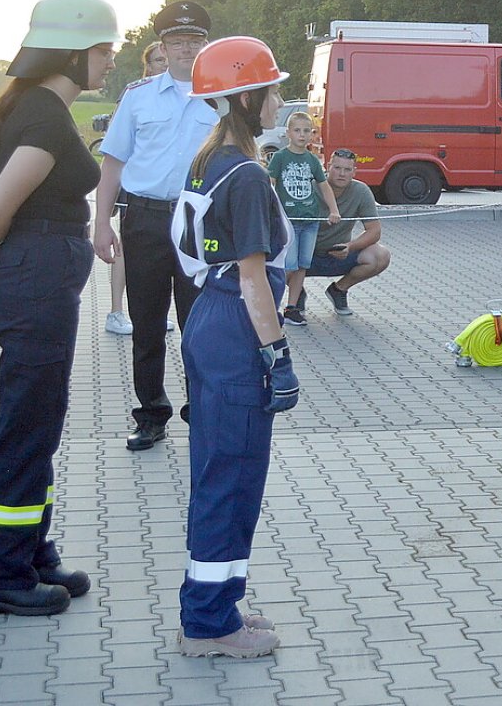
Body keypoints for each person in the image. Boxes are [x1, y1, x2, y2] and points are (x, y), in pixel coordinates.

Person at [0, 0, 120, 616]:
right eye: (104, 51)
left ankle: (32, 551)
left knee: (40, 420)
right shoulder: (43, 115)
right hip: (34, 280)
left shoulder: (40, 109)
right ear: (74, 52)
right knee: (27, 425)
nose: (110, 61)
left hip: (39, 277)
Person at [170, 36, 296, 658]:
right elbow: (254, 278)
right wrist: (278, 354)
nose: (279, 100)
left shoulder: (209, 158)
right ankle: (209, 625)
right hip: (235, 324)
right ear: (247, 97)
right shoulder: (245, 173)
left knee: (219, 470)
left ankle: (220, 605)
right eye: (272, 90)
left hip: (207, 319)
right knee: (233, 474)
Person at [94, 0, 216, 452]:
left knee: (199, 323)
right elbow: (114, 161)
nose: (186, 48)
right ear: (162, 46)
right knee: (147, 324)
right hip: (143, 218)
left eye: (194, 40)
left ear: (206, 46)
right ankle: (150, 415)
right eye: (177, 41)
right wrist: (101, 222)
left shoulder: (221, 99)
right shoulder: (139, 97)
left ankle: (202, 410)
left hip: (198, 221)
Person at [106, 41, 169, 336]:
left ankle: (159, 312)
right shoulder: (135, 93)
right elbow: (119, 145)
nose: (164, 65)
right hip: (135, 190)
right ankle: (117, 310)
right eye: (158, 60)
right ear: (148, 65)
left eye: (165, 60)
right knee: (125, 251)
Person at [268, 112, 339, 326]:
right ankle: (270, 306)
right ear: (288, 133)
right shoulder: (280, 157)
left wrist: (333, 210)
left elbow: (323, 186)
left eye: (306, 131)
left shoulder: (312, 160)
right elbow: (270, 185)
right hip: (288, 222)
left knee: (301, 265)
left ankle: (292, 308)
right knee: (287, 265)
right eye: (297, 130)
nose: (302, 134)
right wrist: (270, 212)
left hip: (310, 221)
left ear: (312, 134)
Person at [305, 148, 392, 315]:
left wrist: (349, 247)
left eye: (347, 169)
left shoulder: (361, 191)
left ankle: (339, 290)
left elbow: (374, 231)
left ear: (354, 171)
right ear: (327, 166)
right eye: (337, 168)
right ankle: (296, 297)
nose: (341, 174)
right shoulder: (310, 187)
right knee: (275, 258)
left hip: (340, 255)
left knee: (381, 255)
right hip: (305, 256)